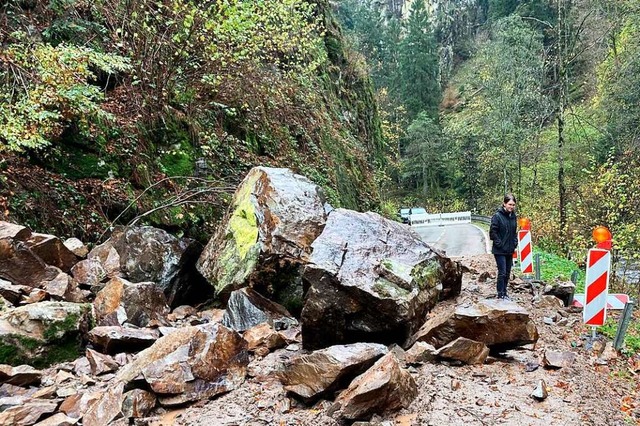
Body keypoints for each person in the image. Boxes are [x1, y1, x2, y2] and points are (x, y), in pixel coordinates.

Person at [489, 194, 518, 300]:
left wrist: (515, 242)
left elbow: (514, 232)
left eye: (513, 205)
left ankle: (505, 292)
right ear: (504, 204)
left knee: (507, 272)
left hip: (510, 249)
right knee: (502, 272)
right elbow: (493, 232)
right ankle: (500, 293)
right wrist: (499, 243)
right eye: (510, 204)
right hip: (500, 250)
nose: (511, 207)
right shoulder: (497, 216)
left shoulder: (513, 216)